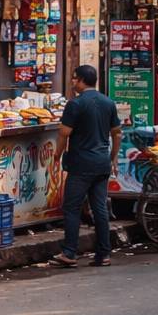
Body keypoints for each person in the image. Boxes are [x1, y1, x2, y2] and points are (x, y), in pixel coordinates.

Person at [50, 65, 122, 269]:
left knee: (71, 207)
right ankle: (104, 254)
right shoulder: (108, 102)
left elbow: (64, 133)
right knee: (99, 208)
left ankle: (70, 252)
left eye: (74, 79)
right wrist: (113, 157)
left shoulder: (75, 104)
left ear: (81, 80)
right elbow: (117, 133)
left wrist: (57, 155)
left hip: (81, 164)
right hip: (101, 163)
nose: (73, 83)